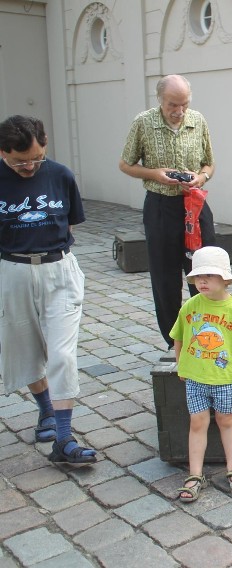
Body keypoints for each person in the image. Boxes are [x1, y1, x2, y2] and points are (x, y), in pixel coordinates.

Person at [0, 115, 96, 464]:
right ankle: (45, 410)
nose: (29, 166)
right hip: (13, 270)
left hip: (59, 270)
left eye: (36, 158)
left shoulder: (60, 175)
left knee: (62, 354)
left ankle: (65, 439)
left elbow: (69, 221)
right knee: (25, 351)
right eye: (19, 160)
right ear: (3, 152)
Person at [119, 74, 217, 350]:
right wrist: (156, 174)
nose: (179, 111)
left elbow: (209, 163)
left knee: (206, 269)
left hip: (195, 206)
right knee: (165, 276)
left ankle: (209, 335)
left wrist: (201, 177)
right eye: (173, 105)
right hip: (161, 206)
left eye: (184, 104)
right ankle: (176, 343)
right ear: (160, 99)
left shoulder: (198, 121)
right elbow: (126, 164)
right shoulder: (143, 122)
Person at [170, 246, 232, 502]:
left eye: (209, 276)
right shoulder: (191, 306)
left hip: (225, 379)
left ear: (225, 279)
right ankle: (195, 473)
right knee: (197, 423)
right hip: (196, 378)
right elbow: (178, 337)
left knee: (226, 419)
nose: (202, 281)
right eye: (199, 276)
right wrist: (181, 365)